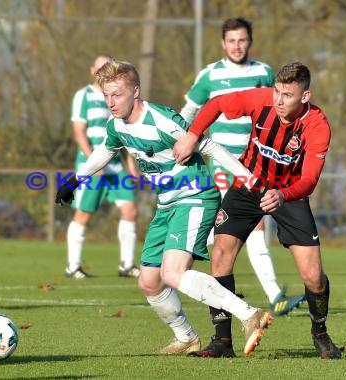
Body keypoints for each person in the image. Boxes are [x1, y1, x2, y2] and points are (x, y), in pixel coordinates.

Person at [56, 58, 273, 356]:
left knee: (172, 273)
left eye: (117, 94)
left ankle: (249, 314)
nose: (110, 101)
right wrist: (75, 180)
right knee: (149, 281)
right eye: (106, 95)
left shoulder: (162, 120)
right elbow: (105, 152)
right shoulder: (116, 125)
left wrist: (249, 179)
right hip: (167, 203)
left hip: (195, 195)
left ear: (135, 91)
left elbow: (209, 146)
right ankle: (186, 337)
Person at [174, 61, 343, 359]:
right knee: (221, 255)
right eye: (277, 92)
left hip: (289, 195)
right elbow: (215, 104)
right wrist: (192, 134)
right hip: (248, 184)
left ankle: (320, 332)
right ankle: (222, 342)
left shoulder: (317, 125)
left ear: (305, 97)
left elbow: (309, 179)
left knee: (314, 276)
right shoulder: (260, 99)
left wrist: (283, 194)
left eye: (287, 95)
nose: (278, 100)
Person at [180, 17, 305, 318]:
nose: (237, 45)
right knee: (252, 226)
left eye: (242, 40)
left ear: (250, 41)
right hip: (223, 159)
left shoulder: (263, 73)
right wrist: (186, 136)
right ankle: (270, 294)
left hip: (258, 161)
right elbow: (189, 109)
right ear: (223, 43)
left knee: (254, 227)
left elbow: (279, 108)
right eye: (232, 40)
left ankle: (210, 280)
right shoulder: (210, 75)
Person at [65, 55, 140, 279]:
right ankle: (73, 266)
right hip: (92, 166)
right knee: (84, 214)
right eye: (100, 69)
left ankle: (126, 265)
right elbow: (79, 133)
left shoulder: (117, 97)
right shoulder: (83, 96)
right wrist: (92, 162)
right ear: (92, 71)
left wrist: (132, 165)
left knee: (130, 210)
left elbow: (122, 135)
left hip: (115, 167)